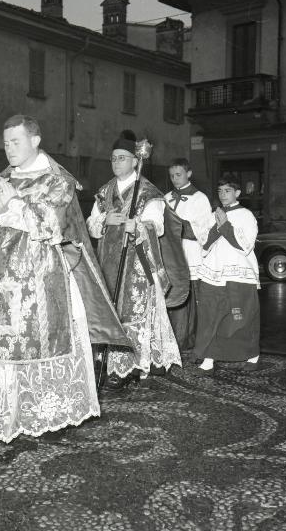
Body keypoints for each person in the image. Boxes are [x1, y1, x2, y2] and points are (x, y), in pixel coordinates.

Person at [0, 115, 128, 459]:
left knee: (40, 347)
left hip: (43, 279)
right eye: (5, 142)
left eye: (15, 141)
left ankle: (50, 415)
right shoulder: (2, 178)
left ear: (35, 140)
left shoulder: (57, 181)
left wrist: (11, 206)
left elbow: (51, 226)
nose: (8, 148)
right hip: (1, 278)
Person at [87, 131, 181, 389]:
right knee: (108, 310)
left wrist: (137, 225)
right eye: (113, 158)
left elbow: (157, 226)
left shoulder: (148, 192)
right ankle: (106, 361)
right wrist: (103, 220)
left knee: (131, 313)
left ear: (135, 162)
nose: (116, 163)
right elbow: (91, 224)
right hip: (107, 260)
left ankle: (127, 367)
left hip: (135, 264)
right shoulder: (105, 191)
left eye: (122, 158)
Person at [193, 176, 261, 375]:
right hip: (213, 273)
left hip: (238, 275)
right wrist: (217, 226)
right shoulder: (214, 214)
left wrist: (226, 226)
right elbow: (204, 243)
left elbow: (245, 245)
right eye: (220, 190)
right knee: (210, 315)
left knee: (239, 316)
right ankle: (208, 360)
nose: (223, 194)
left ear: (237, 193)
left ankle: (252, 355)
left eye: (228, 190)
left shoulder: (246, 215)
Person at [164, 158, 213, 353]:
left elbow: (202, 230)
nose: (175, 179)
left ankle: (186, 339)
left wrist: (175, 224)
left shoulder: (200, 198)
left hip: (189, 254)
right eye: (172, 175)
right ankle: (169, 339)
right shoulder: (166, 197)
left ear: (189, 174)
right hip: (169, 255)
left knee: (188, 300)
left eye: (179, 175)